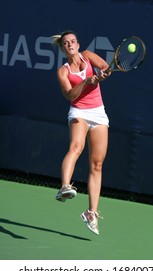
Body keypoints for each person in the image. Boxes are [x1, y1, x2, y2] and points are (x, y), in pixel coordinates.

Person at [52, 30, 110, 235]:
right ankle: (65, 186)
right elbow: (70, 94)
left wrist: (101, 75)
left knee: (97, 164)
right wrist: (86, 81)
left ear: (78, 44)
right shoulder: (63, 71)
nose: (70, 45)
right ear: (63, 48)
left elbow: (104, 68)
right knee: (76, 146)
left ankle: (91, 213)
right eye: (66, 43)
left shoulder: (88, 55)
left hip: (99, 113)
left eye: (73, 41)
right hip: (79, 111)